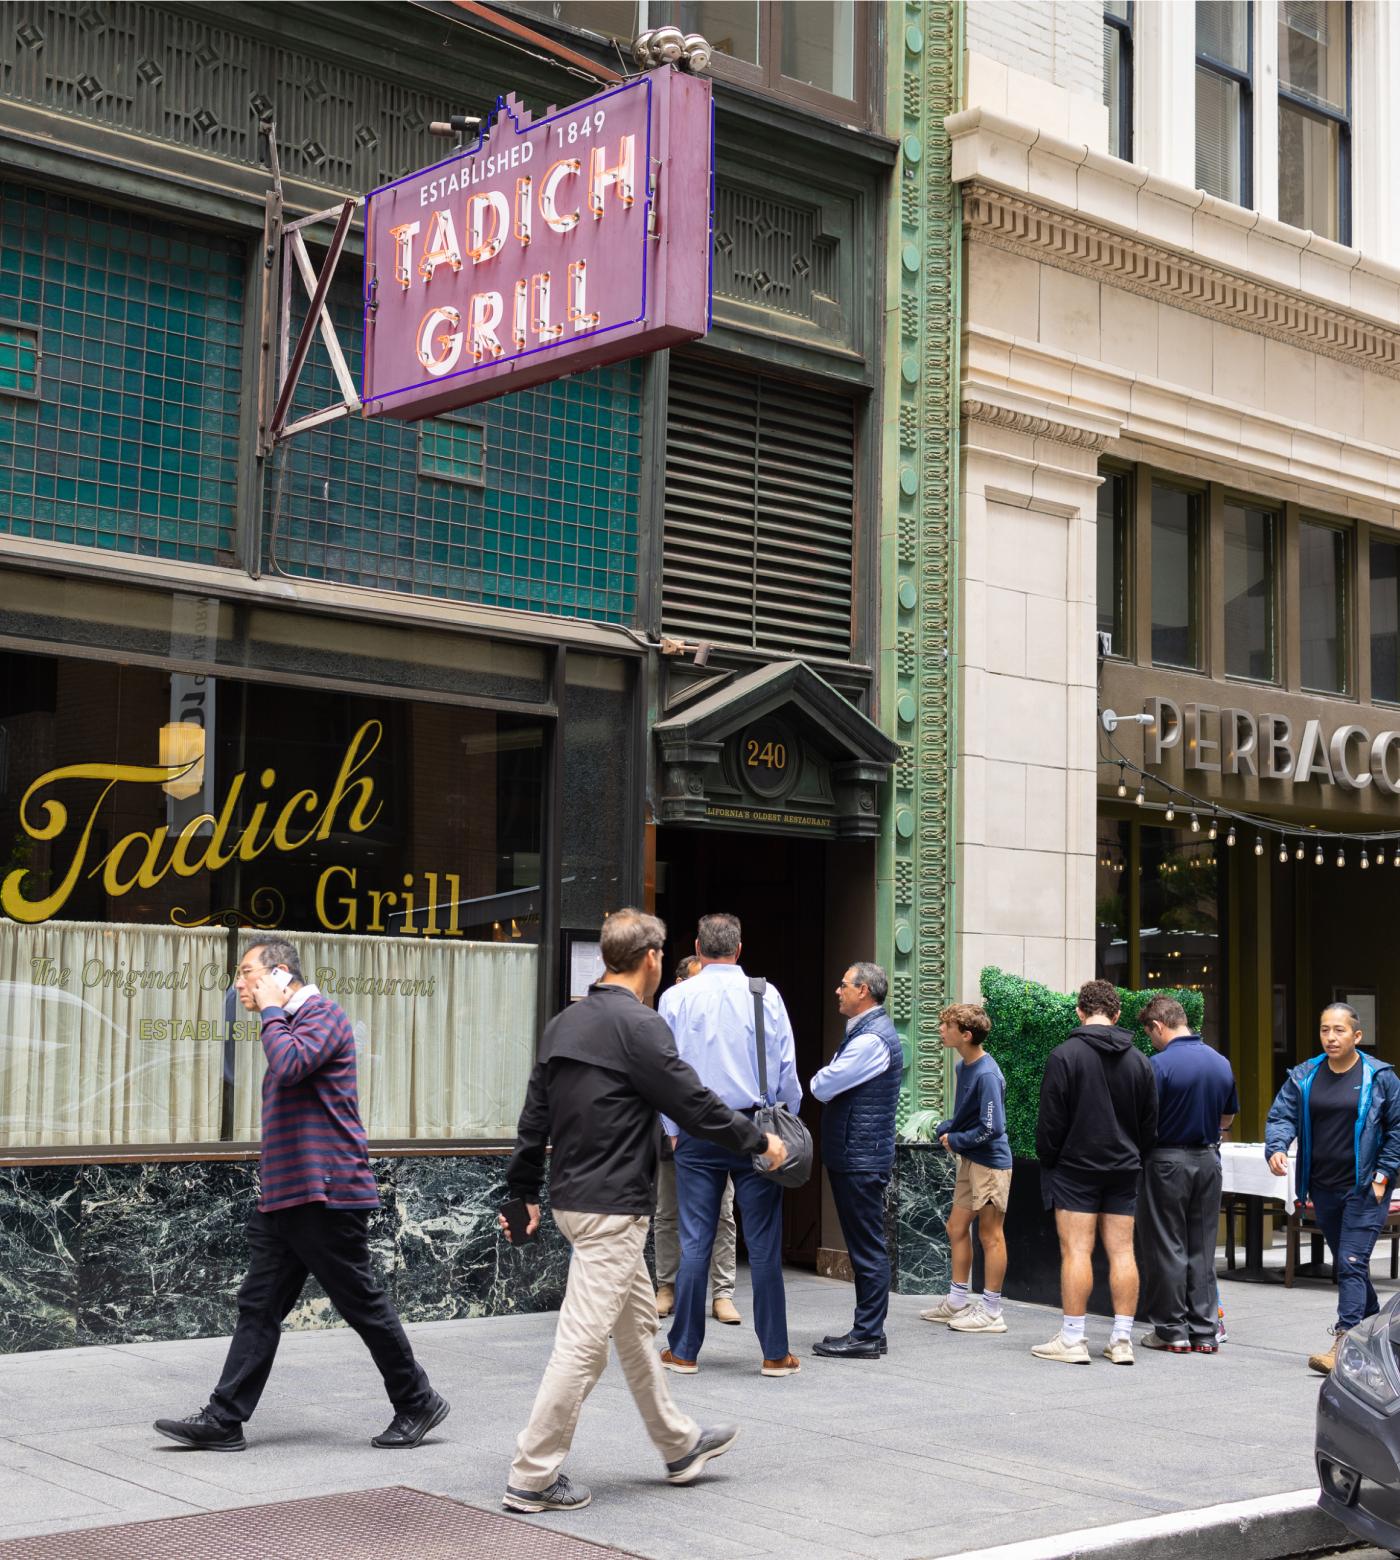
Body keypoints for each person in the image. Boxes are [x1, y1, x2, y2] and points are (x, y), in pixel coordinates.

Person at [500, 908, 787, 1513]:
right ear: (652, 958)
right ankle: (532, 1473)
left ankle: (678, 1445)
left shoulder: (565, 1024)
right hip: (612, 1209)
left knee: (635, 1330)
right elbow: (694, 1104)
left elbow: (534, 1117)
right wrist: (760, 1141)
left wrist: (521, 1189)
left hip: (574, 1198)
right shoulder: (641, 1026)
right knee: (583, 1343)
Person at [153, 939, 447, 1452]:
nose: (238, 984)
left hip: (326, 1193)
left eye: (247, 973)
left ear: (280, 973)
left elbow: (290, 1065)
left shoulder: (321, 1014)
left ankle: (417, 1399)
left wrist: (270, 1009)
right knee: (259, 1304)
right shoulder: (290, 1021)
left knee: (361, 1303)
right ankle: (224, 1419)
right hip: (289, 1194)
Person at [658, 912, 803, 1378]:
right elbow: (786, 1069)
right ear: (739, 950)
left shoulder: (676, 996)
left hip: (697, 1128)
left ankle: (682, 1351)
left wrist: (672, 1128)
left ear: (698, 949)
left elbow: (666, 1071)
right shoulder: (766, 994)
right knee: (764, 1245)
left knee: (696, 1241)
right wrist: (785, 1122)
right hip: (757, 1129)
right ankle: (775, 1354)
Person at [1265, 1002, 1400, 1375]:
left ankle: (1343, 1344)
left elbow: (1397, 1130)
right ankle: (1379, 1333)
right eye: (1325, 1029)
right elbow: (1282, 1115)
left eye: (1339, 1030)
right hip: (1323, 1187)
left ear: (1357, 1036)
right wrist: (1276, 1147)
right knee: (1348, 1264)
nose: (1330, 1037)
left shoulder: (1380, 1077)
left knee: (1351, 1263)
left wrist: (1383, 1175)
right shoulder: (1305, 1074)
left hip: (1365, 1188)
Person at [1032, 978, 1157, 1367]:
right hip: (1124, 1167)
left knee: (1077, 1251)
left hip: (1075, 1168)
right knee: (1122, 1251)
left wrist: (1050, 1158)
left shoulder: (1064, 1055)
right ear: (1117, 1014)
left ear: (1079, 1011)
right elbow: (1149, 1124)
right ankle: (1121, 1340)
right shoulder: (1139, 1060)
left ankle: (1072, 1338)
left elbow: (1050, 1123)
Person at [809, 962, 904, 1359]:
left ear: (863, 991)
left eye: (844, 985)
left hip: (860, 1156)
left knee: (866, 1248)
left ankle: (866, 1334)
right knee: (866, 1244)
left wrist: (823, 1077)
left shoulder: (871, 1040)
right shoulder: (866, 1033)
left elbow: (822, 1085)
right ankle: (870, 1330)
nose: (837, 990)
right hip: (858, 1154)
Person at [1136, 997, 1238, 1355]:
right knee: (1203, 1245)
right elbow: (1227, 1119)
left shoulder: (1157, 1066)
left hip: (1166, 1160)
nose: (1151, 1041)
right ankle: (1205, 1331)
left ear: (1158, 1026)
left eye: (1150, 1033)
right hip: (1209, 1158)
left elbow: (1144, 1122)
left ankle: (1172, 1329)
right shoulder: (1220, 1063)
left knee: (1167, 1244)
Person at [654, 954, 741, 1327]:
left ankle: (722, 1293)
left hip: (715, 1128)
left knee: (723, 1214)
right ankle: (666, 1287)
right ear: (679, 982)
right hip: (672, 1128)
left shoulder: (723, 1017)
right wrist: (669, 1128)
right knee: (667, 1212)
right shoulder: (667, 1014)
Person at [920, 1003, 1012, 1335]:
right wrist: (950, 1128)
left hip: (990, 1165)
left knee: (990, 1236)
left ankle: (991, 1311)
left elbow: (993, 1128)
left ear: (966, 1035)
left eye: (947, 1026)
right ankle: (958, 1301)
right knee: (956, 1228)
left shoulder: (986, 1073)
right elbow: (971, 1116)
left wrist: (957, 1139)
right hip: (971, 1161)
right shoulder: (964, 1067)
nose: (940, 1030)